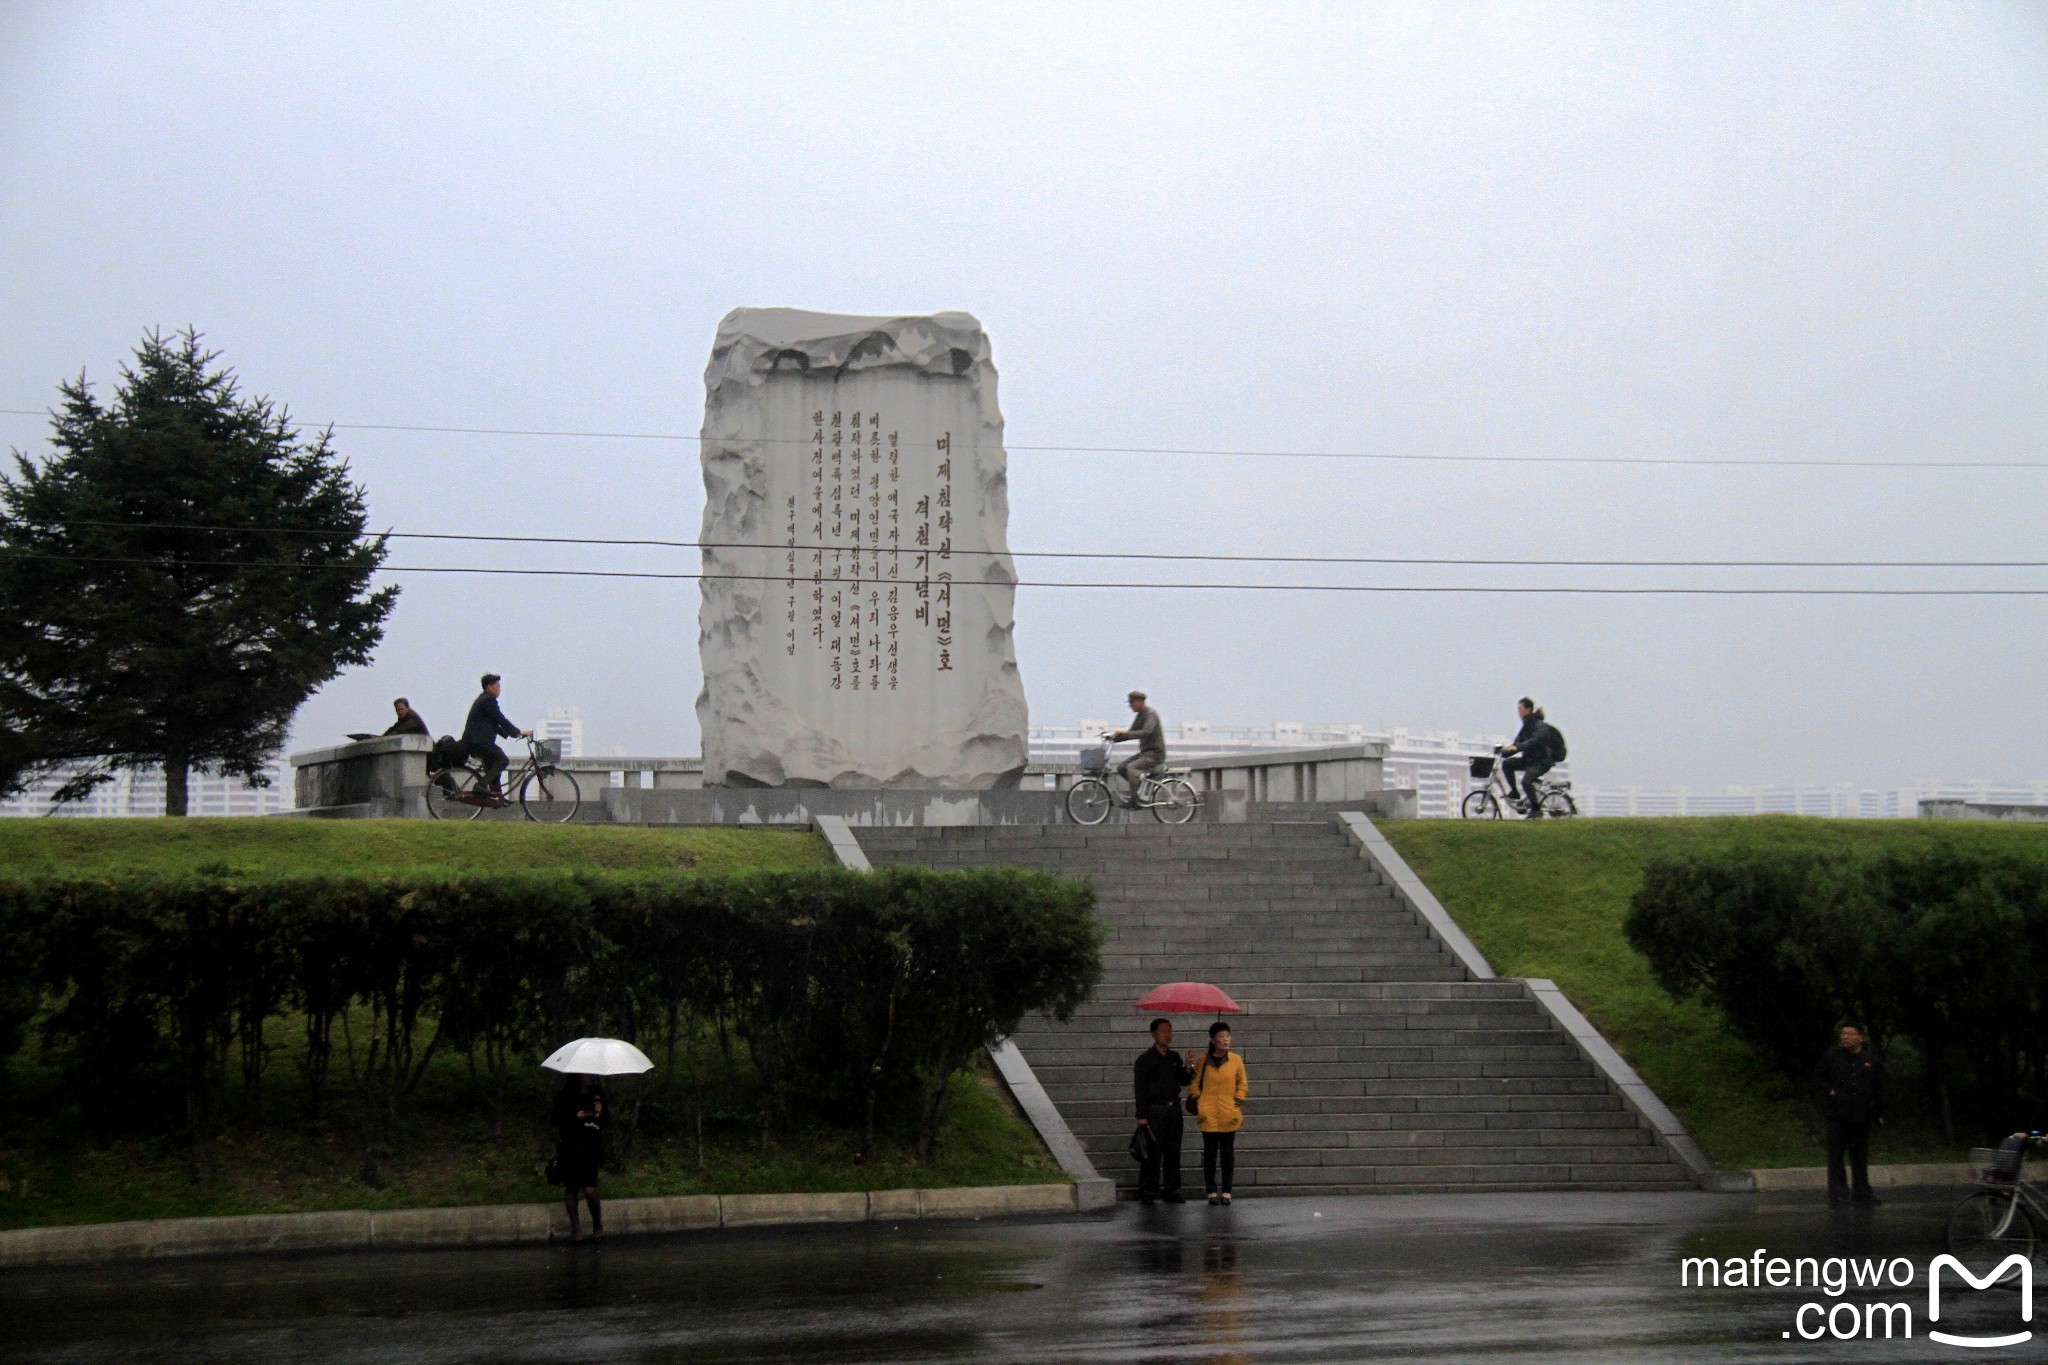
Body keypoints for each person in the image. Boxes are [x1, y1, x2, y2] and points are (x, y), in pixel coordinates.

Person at [1813, 1023, 1884, 1206]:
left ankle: (1862, 1192)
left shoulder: (1870, 1060)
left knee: (1859, 1155)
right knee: (1836, 1155)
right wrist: (1830, 1092)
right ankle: (1838, 1193)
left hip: (1861, 1115)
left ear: (1860, 1038)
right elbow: (1819, 1078)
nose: (1845, 1037)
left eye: (1850, 1034)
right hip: (1838, 1114)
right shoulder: (1832, 1057)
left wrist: (1880, 1112)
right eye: (1843, 1034)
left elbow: (1878, 1088)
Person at [1188, 1021, 1249, 1205]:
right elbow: (1194, 1083)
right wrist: (1199, 1099)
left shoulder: (1236, 1060)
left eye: (1227, 1036)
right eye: (1221, 1036)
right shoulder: (1203, 1060)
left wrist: (1237, 1098)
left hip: (1228, 1112)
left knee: (1227, 1154)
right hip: (1208, 1113)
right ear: (1213, 1040)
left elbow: (1242, 1083)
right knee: (1210, 1154)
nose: (1225, 1040)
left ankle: (1227, 1191)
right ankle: (1211, 1191)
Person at [1133, 1016, 1193, 1203]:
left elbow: (1184, 1080)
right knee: (1152, 1153)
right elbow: (1140, 1088)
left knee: (1173, 1151)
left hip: (1173, 1110)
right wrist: (1141, 1115)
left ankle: (1171, 1190)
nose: (1168, 1035)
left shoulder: (1174, 1057)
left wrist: (1189, 1064)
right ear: (1154, 1034)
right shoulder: (1145, 1060)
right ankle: (1148, 1190)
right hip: (1154, 1111)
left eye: (1170, 1031)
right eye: (1164, 1031)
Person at [551, 1074, 608, 1241]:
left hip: (591, 1147)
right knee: (571, 1188)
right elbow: (555, 1119)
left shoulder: (597, 1092)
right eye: (585, 1074)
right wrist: (574, 1116)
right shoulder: (564, 1095)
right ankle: (576, 1229)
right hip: (570, 1147)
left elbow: (606, 1120)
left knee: (590, 1189)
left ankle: (597, 1225)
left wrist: (598, 1112)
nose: (588, 1077)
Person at [462, 673, 531, 797]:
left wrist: (512, 734)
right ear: (489, 687)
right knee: (502, 761)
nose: (499, 689)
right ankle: (480, 786)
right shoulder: (488, 700)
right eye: (497, 686)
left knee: (494, 768)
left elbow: (495, 724)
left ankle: (497, 796)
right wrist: (518, 732)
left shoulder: (483, 699)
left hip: (476, 742)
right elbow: (500, 719)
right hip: (480, 743)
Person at [1499, 697, 1560, 819]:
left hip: (1541, 762)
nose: (1519, 712)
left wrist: (1518, 748)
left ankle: (1536, 809)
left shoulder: (1540, 725)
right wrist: (1504, 751)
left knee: (1526, 782)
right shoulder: (1526, 726)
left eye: (1520, 709)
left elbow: (1534, 741)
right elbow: (1517, 743)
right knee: (1507, 764)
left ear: (1528, 709)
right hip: (1529, 760)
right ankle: (1514, 792)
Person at [1110, 691, 1166, 809]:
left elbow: (1146, 732)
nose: (1130, 705)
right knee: (1121, 767)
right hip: (1145, 753)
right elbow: (1131, 733)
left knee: (1132, 768)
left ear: (1140, 702)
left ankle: (1136, 800)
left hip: (1155, 754)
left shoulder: (1150, 714)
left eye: (1132, 702)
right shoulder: (1140, 715)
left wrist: (1126, 733)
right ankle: (1139, 788)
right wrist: (1113, 738)